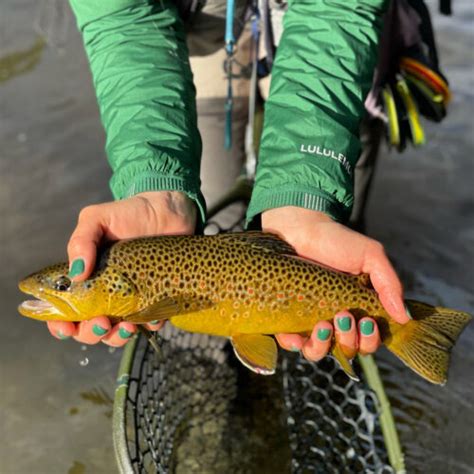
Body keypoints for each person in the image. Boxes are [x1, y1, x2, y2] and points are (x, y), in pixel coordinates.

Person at [46, 0, 411, 361]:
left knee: (332, 224)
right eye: (65, 286)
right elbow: (123, 17)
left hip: (338, 43)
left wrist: (306, 195)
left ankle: (363, 343)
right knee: (193, 336)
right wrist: (155, 181)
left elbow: (336, 10)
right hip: (203, 27)